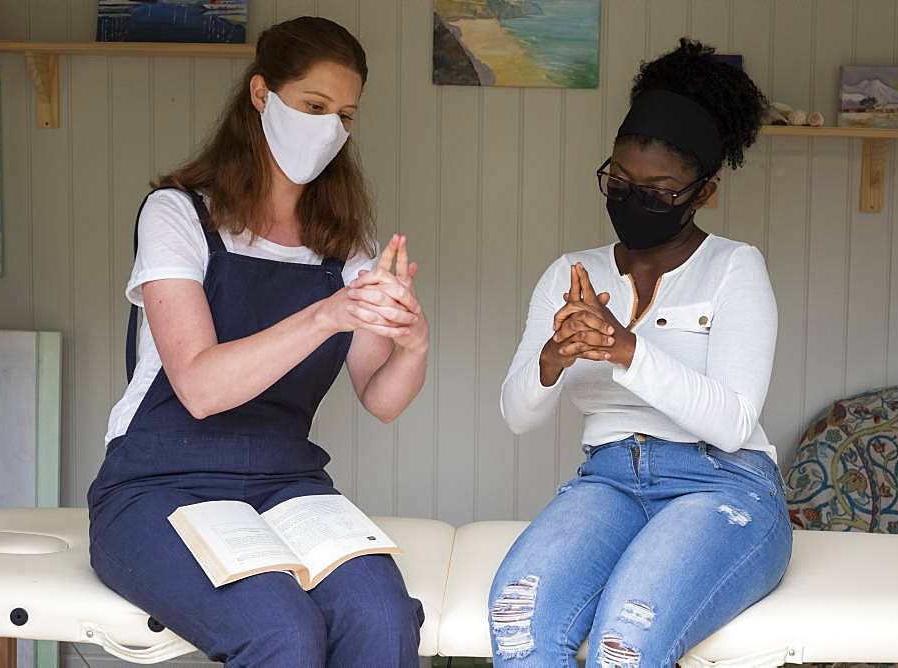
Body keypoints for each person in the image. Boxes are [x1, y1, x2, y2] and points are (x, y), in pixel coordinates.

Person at [87, 17, 428, 667]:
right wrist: (327, 316)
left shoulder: (344, 247)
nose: (331, 128)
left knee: (382, 620)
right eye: (314, 106)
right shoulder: (179, 213)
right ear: (260, 94)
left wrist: (413, 341)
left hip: (286, 485)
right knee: (281, 632)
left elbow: (380, 398)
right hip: (158, 486)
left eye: (346, 116)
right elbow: (201, 387)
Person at [490, 39, 789, 667]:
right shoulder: (570, 273)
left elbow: (733, 422)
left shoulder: (736, 269)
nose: (631, 198)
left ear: (702, 193)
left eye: (658, 189)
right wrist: (553, 359)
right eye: (619, 181)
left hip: (720, 484)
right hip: (608, 480)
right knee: (518, 625)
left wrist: (626, 349)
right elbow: (519, 417)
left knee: (624, 647)